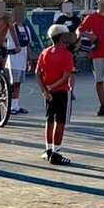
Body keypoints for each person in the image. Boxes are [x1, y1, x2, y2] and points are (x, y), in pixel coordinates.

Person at [36, 24, 75, 165]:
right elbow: (66, 77)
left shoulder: (44, 52)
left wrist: (45, 91)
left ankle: (48, 150)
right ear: (61, 38)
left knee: (49, 120)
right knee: (60, 121)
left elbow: (37, 73)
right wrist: (52, 87)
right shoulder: (67, 55)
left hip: (48, 94)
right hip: (61, 92)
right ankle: (56, 152)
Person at [7, 3, 32, 115]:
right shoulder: (10, 28)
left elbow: (28, 45)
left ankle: (16, 105)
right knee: (13, 83)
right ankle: (10, 106)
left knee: (18, 84)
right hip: (13, 61)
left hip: (22, 60)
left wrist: (29, 60)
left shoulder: (26, 28)